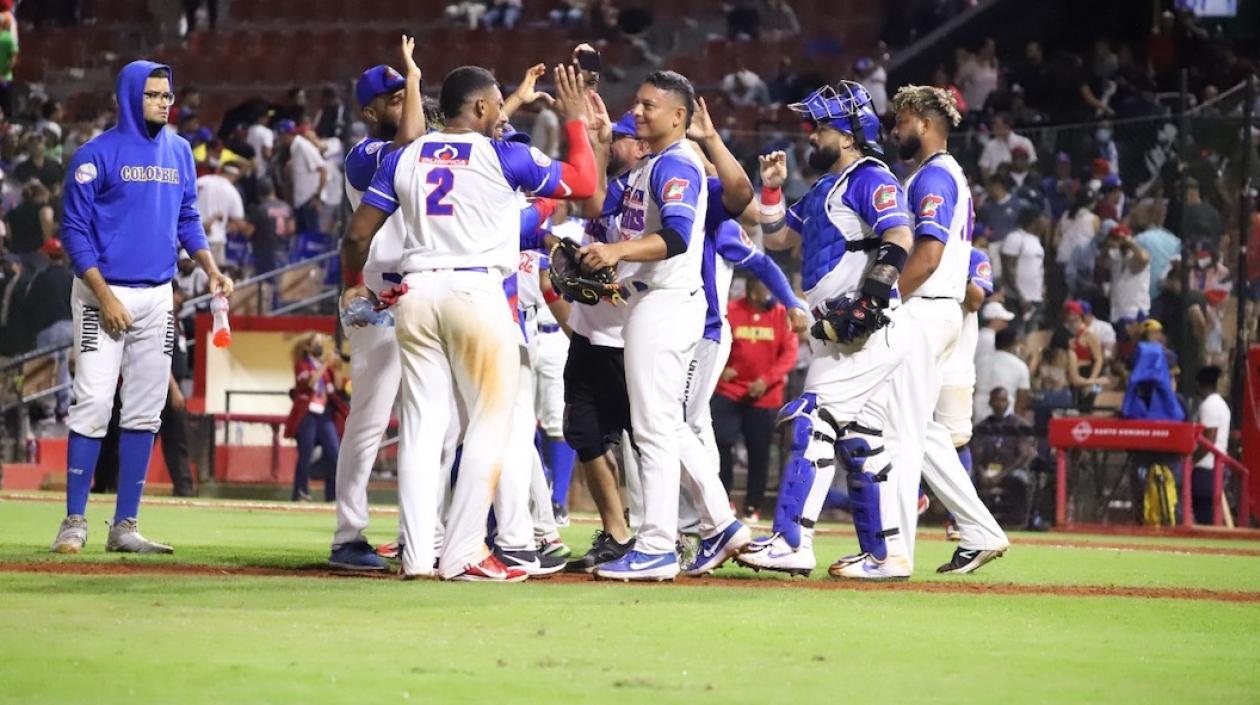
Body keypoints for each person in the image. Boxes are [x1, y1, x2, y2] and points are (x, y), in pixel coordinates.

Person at [342, 63, 597, 581]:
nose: (503, 112)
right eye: (498, 103)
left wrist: (354, 281)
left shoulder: (406, 154)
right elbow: (586, 183)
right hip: (475, 291)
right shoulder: (505, 155)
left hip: (414, 293)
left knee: (421, 425)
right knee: (490, 421)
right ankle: (462, 551)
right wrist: (575, 123)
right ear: (480, 106)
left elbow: (356, 235)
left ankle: (417, 556)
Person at [736, 80, 919, 579]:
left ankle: (791, 540)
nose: (810, 137)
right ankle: (886, 556)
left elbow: (900, 234)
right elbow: (778, 239)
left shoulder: (869, 176)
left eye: (819, 128)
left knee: (811, 420)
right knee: (861, 439)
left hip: (864, 329)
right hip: (843, 331)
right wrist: (771, 188)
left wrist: (871, 299)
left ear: (848, 133)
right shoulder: (823, 187)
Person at [50, 60, 233, 555]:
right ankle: (73, 522)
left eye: (167, 95)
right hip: (100, 293)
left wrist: (211, 267)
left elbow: (188, 217)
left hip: (157, 296)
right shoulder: (96, 155)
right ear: (130, 95)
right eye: (153, 94)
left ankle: (124, 525)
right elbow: (74, 233)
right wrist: (104, 295)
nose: (163, 102)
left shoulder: (179, 152)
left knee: (147, 409)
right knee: (92, 401)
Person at [577, 71, 751, 581]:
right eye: (638, 102)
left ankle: (654, 545)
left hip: (666, 301)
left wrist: (615, 251)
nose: (641, 110)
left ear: (680, 115)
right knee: (666, 425)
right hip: (650, 302)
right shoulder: (649, 166)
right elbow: (597, 208)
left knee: (652, 429)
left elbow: (675, 236)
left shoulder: (677, 163)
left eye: (651, 105)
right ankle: (720, 524)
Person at [887, 84, 1009, 575]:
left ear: (923, 119)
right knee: (918, 428)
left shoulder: (933, 176)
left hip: (926, 306)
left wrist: (885, 296)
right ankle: (980, 530)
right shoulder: (940, 173)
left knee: (900, 431)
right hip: (940, 312)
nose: (896, 129)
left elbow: (929, 252)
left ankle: (893, 553)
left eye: (901, 120)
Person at [329, 42, 424, 570]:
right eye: (393, 98)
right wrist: (413, 75)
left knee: (429, 420)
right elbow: (409, 137)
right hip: (378, 295)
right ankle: (348, 535)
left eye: (404, 93)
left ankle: (419, 531)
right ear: (370, 112)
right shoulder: (364, 155)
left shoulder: (421, 146)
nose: (404, 101)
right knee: (369, 418)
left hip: (424, 292)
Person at [713, 276, 798, 520]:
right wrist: (721, 367)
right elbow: (716, 341)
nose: (771, 294)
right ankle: (722, 501)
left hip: (764, 396)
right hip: (729, 390)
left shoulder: (782, 315)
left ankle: (753, 507)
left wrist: (766, 380)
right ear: (752, 292)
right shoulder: (732, 310)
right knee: (720, 443)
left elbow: (789, 354)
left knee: (759, 452)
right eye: (766, 288)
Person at [284, 333, 342, 502]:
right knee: (305, 454)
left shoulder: (326, 368)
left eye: (320, 343)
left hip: (324, 414)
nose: (320, 346)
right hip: (307, 414)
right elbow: (309, 383)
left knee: (334, 452)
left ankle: (332, 495)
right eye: (316, 343)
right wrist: (325, 364)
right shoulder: (302, 365)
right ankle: (301, 492)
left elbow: (337, 386)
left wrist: (337, 368)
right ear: (308, 347)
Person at [972, 387, 1039, 526]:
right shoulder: (983, 426)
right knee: (968, 477)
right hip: (986, 470)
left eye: (1002, 400)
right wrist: (982, 472)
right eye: (995, 400)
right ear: (990, 402)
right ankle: (973, 520)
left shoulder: (1020, 425)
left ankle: (1016, 521)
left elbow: (1023, 456)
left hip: (1010, 470)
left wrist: (1000, 475)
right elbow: (975, 454)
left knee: (1020, 478)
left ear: (1008, 402)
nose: (999, 404)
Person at [26, 238, 75, 420]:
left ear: (47, 255)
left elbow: (28, 304)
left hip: (49, 328)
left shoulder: (40, 277)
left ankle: (48, 411)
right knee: (62, 368)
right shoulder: (70, 276)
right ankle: (64, 408)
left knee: (46, 371)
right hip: (69, 328)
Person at [1191, 366, 1230, 525]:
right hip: (1214, 467)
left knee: (1204, 513)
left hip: (1206, 468)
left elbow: (1209, 440)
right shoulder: (1221, 404)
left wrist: (1192, 461)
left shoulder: (1209, 405)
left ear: (1200, 384)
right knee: (1208, 512)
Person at [277, 120, 327, 235]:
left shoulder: (303, 146)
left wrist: (317, 195)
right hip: (301, 202)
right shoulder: (295, 147)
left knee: (312, 238)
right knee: (302, 238)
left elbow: (323, 169)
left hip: (309, 201)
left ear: (285, 135)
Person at [195, 162, 247, 265]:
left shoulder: (201, 181)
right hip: (216, 240)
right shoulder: (232, 190)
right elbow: (238, 221)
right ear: (234, 176)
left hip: (193, 238)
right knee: (214, 277)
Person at [975, 328, 1030, 424]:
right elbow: (1022, 400)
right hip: (1006, 417)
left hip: (979, 413)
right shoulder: (1020, 366)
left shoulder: (980, 363)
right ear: (1014, 344)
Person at [1101, 223, 1150, 324]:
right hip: (1116, 311)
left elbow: (1144, 259)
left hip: (1135, 311)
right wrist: (1108, 244)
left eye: (1120, 239)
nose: (1119, 242)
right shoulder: (1115, 255)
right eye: (1116, 238)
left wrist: (1130, 243)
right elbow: (1101, 261)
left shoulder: (1136, 255)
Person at [5, 180, 56, 273]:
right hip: (38, 253)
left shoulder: (12, 213)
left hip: (17, 255)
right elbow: (47, 230)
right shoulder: (44, 209)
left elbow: (8, 235)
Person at [245, 177, 292, 275]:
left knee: (266, 284)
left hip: (265, 253)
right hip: (283, 251)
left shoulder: (260, 210)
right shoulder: (286, 207)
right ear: (273, 190)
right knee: (280, 282)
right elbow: (291, 229)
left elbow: (248, 232)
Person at [978, 113, 1035, 178]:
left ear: (1007, 126)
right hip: (998, 184)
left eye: (997, 125)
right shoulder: (990, 146)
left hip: (1023, 183)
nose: (993, 128)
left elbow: (1032, 163)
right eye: (993, 125)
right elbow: (984, 168)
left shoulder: (1025, 142)